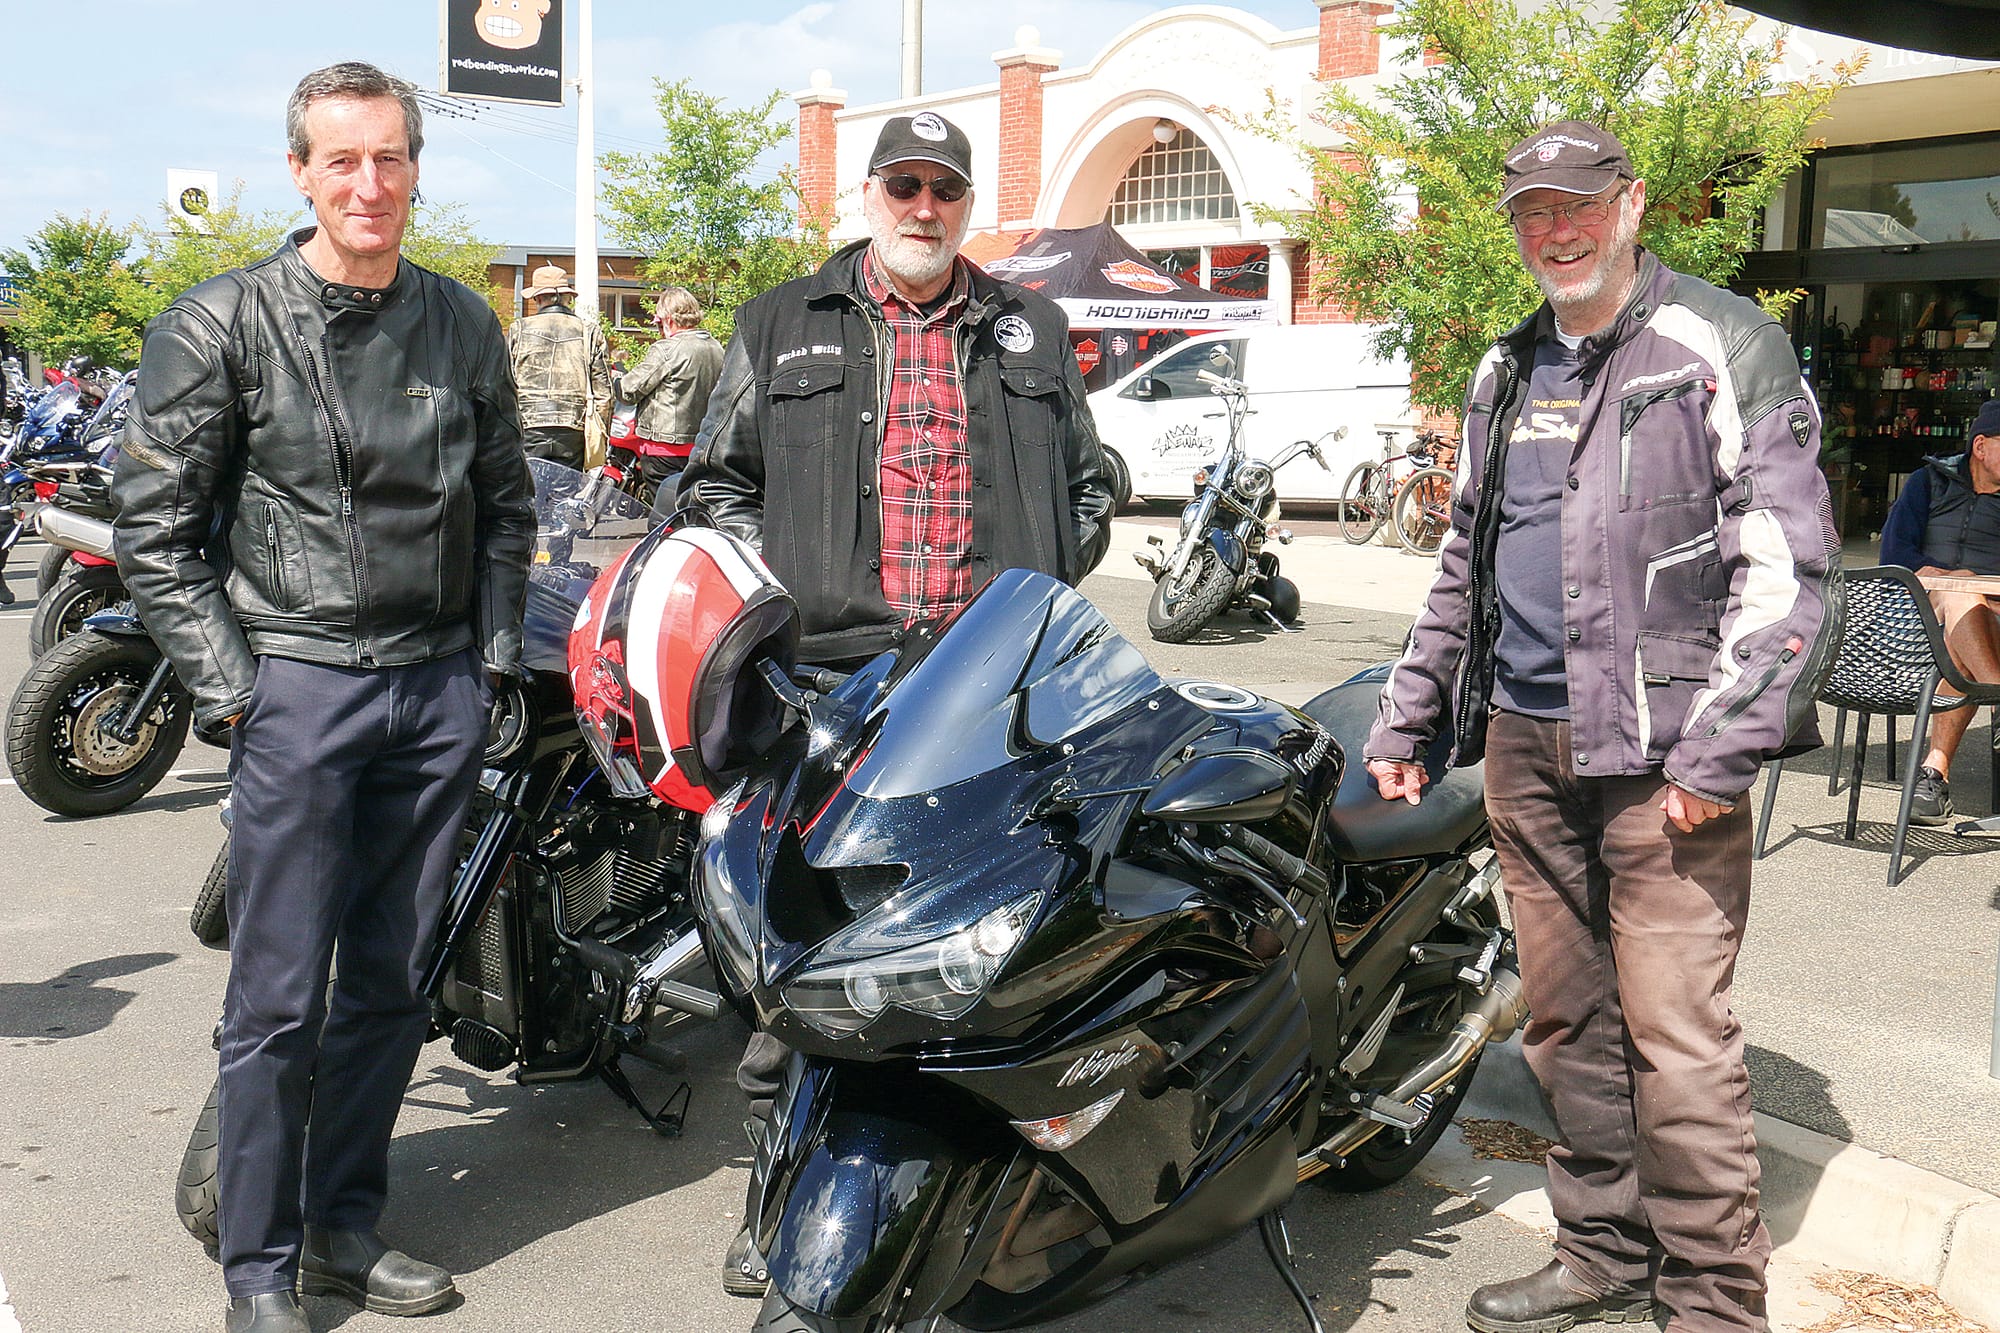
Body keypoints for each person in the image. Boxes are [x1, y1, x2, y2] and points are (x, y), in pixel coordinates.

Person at [1364, 120, 1839, 1333]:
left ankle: (1714, 1303)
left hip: (1664, 761)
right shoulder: (1502, 368)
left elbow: (1788, 571)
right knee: (1567, 1022)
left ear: (1629, 205)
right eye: (1531, 213)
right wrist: (1410, 712)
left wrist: (1718, 752)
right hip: (1524, 748)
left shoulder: (1721, 343)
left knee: (1676, 1040)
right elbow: (1460, 564)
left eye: (1576, 206)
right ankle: (1599, 1254)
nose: (1555, 231)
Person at [112, 62, 535, 1333]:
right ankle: (257, 1266)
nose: (370, 183)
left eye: (391, 157)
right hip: (297, 684)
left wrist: (494, 661)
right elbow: (155, 533)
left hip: (437, 688)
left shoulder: (464, 322)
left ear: (415, 167)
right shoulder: (220, 321)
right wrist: (238, 696)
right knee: (277, 1000)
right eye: (343, 160)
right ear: (299, 170)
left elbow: (509, 508)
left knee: (393, 988)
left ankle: (347, 1226)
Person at [679, 109, 1113, 1294]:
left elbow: (1087, 483)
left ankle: (952, 1191)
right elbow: (715, 488)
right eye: (904, 185)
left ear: (967, 205)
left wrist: (1033, 595)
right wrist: (769, 614)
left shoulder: (1029, 326)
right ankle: (780, 1198)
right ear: (869, 194)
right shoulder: (782, 321)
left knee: (971, 944)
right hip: (828, 685)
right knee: (803, 962)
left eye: (945, 190)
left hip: (985, 689)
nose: (924, 206)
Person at [1877, 397, 2000, 823]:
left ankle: (1933, 776)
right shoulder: (1928, 482)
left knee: (1963, 635)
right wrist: (1940, 574)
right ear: (1981, 446)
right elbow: (1893, 554)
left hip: (1991, 620)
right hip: (1919, 614)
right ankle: (1997, 696)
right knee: (1961, 593)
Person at [616, 285, 722, 506]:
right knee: (693, 509)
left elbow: (629, 391)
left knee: (665, 514)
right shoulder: (716, 348)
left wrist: (615, 380)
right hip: (702, 446)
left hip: (664, 448)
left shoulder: (666, 349)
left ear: (668, 319)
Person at [508, 263, 612, 469]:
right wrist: (601, 435)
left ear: (537, 298)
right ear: (568, 298)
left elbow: (503, 385)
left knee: (529, 494)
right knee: (566, 495)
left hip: (528, 426)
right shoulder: (588, 332)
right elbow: (605, 395)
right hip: (573, 428)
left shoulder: (518, 330)